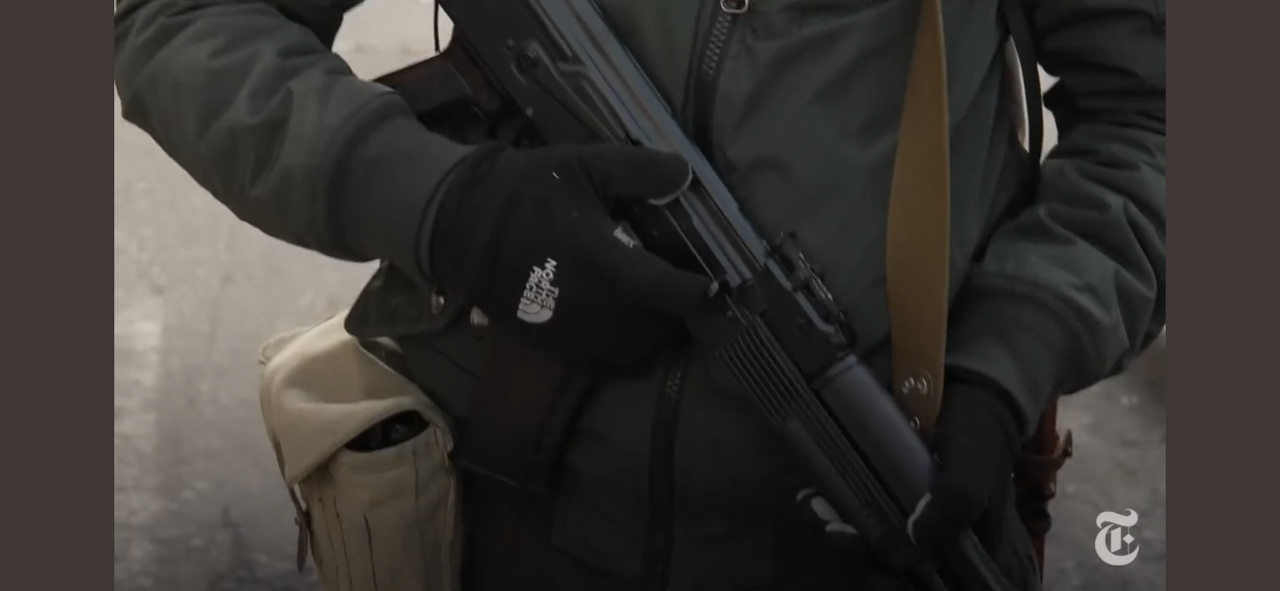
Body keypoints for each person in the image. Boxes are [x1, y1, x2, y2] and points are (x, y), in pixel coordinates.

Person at [113, 0, 1166, 589]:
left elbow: (1162, 114)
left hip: (879, 513)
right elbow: (190, 22)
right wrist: (448, 204)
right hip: (505, 514)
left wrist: (1010, 352)